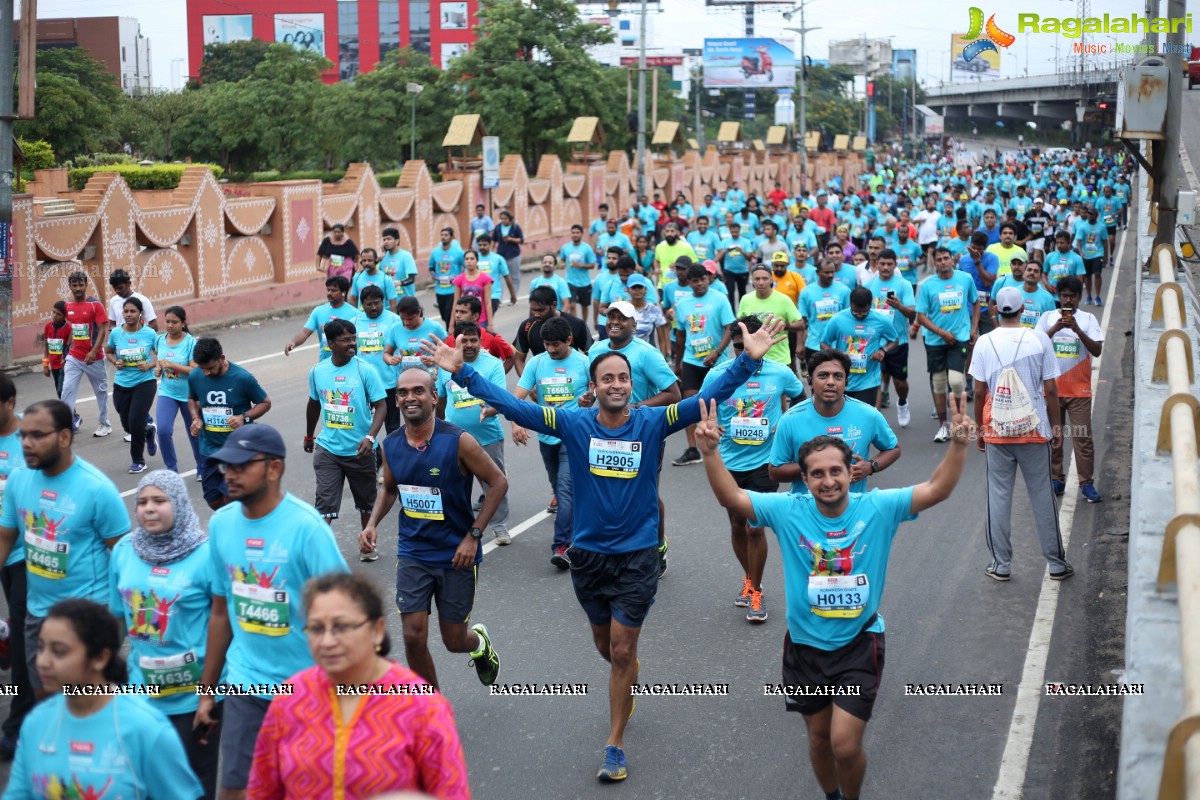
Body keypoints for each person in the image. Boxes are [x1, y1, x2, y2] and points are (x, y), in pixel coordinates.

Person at [418, 317, 784, 782]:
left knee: (621, 646)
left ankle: (614, 743)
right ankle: (625, 672)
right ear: (592, 385)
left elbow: (703, 401)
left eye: (623, 378)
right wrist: (462, 373)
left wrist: (749, 361)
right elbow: (511, 404)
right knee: (605, 647)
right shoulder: (572, 423)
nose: (617, 384)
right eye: (607, 378)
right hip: (588, 558)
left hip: (637, 557)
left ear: (632, 386)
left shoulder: (654, 420)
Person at [698, 395, 974, 800]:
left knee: (845, 744)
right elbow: (733, 499)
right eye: (817, 474)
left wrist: (960, 445)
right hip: (805, 648)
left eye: (836, 471)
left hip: (858, 644)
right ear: (805, 480)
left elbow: (937, 489)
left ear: (852, 472)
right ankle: (832, 796)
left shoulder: (878, 507)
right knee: (818, 740)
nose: (828, 480)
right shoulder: (788, 510)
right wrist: (710, 455)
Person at [194, 424, 350, 800]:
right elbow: (220, 613)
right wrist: (206, 693)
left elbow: (347, 619)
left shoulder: (307, 530)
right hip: (246, 685)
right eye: (224, 466)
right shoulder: (221, 525)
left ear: (274, 468)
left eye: (240, 466)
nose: (228, 474)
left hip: (307, 692)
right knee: (234, 792)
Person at [247, 573, 470, 800]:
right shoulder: (291, 698)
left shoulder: (422, 705)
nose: (327, 641)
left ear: (377, 630)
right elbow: (261, 790)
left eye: (342, 627)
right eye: (316, 629)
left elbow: (452, 793)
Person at [359, 367, 505, 690]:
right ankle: (432, 707)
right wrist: (372, 524)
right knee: (412, 635)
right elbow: (390, 489)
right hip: (414, 550)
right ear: (395, 399)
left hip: (457, 553)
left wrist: (474, 535)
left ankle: (479, 643)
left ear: (434, 396)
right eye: (402, 392)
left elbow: (497, 482)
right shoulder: (393, 444)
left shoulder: (458, 441)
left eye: (418, 391)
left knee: (454, 640)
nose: (409, 397)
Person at [4, 598, 203, 799]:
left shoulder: (147, 729)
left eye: (59, 651)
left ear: (100, 658)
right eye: (41, 647)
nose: (43, 661)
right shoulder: (35, 723)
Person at [0, 399, 131, 701]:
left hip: (87, 620)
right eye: (23, 436)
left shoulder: (97, 489)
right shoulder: (19, 480)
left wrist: (116, 627)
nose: (27, 444)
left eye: (37, 435)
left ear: (64, 436)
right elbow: (5, 538)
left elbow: (127, 560)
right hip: (38, 616)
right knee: (44, 698)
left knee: (87, 704)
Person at [109, 470, 222, 798]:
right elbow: (115, 621)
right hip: (142, 698)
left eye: (160, 500)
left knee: (194, 787)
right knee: (144, 784)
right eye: (142, 501)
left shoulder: (206, 555)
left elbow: (223, 625)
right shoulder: (125, 551)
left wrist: (209, 692)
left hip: (197, 698)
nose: (149, 508)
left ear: (181, 504)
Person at [701, 316, 804, 624]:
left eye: (744, 345)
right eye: (736, 347)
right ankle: (749, 577)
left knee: (754, 526)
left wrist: (784, 426)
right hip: (728, 462)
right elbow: (700, 407)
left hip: (764, 461)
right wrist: (710, 424)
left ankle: (756, 592)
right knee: (736, 524)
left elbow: (801, 401)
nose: (740, 352)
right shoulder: (718, 375)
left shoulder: (779, 373)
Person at [969, 286, 1073, 582]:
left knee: (998, 498)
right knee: (1042, 496)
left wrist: (980, 428)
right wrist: (1055, 427)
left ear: (995, 310)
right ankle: (1056, 564)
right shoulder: (1039, 339)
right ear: (1022, 311)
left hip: (997, 433)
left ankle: (1001, 565)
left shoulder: (984, 343)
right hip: (1034, 431)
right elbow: (1051, 389)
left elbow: (979, 393)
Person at [512, 317, 590, 566]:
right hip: (548, 437)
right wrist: (516, 422)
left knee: (566, 490)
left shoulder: (584, 362)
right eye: (547, 344)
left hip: (575, 435)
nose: (551, 349)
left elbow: (601, 389)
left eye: (556, 344)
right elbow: (518, 397)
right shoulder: (536, 362)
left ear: (569, 340)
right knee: (560, 487)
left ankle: (562, 546)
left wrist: (592, 396)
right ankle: (581, 531)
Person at [770, 349, 900, 497]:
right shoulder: (790, 419)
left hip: (852, 510)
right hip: (806, 512)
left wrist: (870, 467)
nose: (830, 382)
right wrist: (812, 464)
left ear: (846, 382)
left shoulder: (868, 414)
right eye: (823, 375)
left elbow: (893, 448)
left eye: (838, 376)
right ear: (810, 381)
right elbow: (775, 472)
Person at [305, 319, 387, 536]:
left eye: (353, 339)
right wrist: (308, 435)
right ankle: (319, 551)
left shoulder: (365, 370)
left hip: (360, 451)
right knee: (324, 503)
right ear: (330, 343)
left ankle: (368, 541)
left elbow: (381, 406)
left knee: (366, 502)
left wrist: (370, 438)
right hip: (328, 449)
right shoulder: (317, 372)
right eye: (345, 340)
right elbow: (314, 404)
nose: (352, 344)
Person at [435, 321, 511, 546]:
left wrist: (490, 410)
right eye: (463, 340)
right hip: (454, 437)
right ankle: (460, 527)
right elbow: (441, 398)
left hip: (488, 435)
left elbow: (502, 400)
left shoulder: (493, 365)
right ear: (455, 342)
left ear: (480, 341)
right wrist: (439, 427)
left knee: (494, 482)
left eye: (473, 340)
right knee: (455, 484)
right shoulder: (445, 364)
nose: (469, 345)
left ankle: (500, 527)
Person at [1035, 275, 1105, 504]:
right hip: (1051, 390)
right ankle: (1057, 478)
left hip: (1079, 392)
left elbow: (1096, 350)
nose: (1068, 300)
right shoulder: (1047, 318)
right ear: (1059, 296)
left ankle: (1086, 484)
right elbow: (1036, 346)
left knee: (1082, 438)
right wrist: (1056, 328)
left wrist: (1077, 331)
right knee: (1054, 437)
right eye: (1064, 295)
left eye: (1072, 296)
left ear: (1079, 297)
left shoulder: (1088, 319)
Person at [188, 337, 272, 511]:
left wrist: (244, 417)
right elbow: (192, 398)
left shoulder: (242, 377)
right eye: (203, 369)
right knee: (213, 501)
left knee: (230, 498)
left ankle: (241, 530)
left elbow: (265, 402)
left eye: (210, 368)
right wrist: (195, 418)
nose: (206, 373)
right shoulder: (196, 375)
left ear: (222, 357)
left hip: (237, 448)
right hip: (208, 448)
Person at [672, 262, 736, 467]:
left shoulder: (720, 300)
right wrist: (678, 362)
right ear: (688, 282)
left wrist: (717, 352)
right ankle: (692, 449)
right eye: (695, 280)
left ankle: (726, 446)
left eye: (702, 279)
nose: (699, 284)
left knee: (722, 404)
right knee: (688, 404)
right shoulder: (683, 304)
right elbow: (680, 335)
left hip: (718, 361)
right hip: (692, 360)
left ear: (708, 279)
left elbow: (730, 328)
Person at [0, 376, 33, 758]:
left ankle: (17, 723)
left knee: (27, 634)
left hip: (26, 552)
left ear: (9, 403)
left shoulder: (29, 437)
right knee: (15, 624)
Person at [918, 247, 980, 443]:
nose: (943, 262)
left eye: (946, 258)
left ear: (952, 260)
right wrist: (941, 332)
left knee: (955, 381)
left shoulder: (965, 279)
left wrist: (973, 328)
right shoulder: (928, 286)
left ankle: (959, 422)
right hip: (935, 340)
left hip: (959, 337)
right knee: (938, 383)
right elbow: (920, 316)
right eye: (939, 259)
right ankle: (943, 427)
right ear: (934, 263)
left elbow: (976, 302)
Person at [820, 288, 900, 408]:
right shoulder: (838, 319)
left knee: (864, 419)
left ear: (870, 305)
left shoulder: (881, 320)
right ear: (850, 304)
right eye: (856, 311)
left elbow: (894, 339)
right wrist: (834, 358)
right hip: (842, 380)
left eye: (864, 312)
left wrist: (882, 350)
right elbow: (824, 343)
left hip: (867, 381)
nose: (859, 315)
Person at [106, 296, 159, 474]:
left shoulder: (150, 334)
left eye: (132, 311)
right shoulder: (116, 333)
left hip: (145, 382)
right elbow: (109, 352)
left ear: (140, 313)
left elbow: (161, 354)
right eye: (126, 311)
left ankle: (138, 460)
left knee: (135, 422)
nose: (128, 315)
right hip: (122, 383)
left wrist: (150, 364)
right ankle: (149, 430)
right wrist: (115, 362)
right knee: (128, 424)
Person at [864, 250, 917, 423]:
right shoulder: (869, 285)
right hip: (873, 341)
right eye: (882, 264)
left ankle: (902, 402)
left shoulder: (903, 285)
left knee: (900, 382)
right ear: (877, 264)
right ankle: (875, 418)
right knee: (874, 381)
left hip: (897, 341)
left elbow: (912, 314)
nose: (886, 267)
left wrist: (899, 306)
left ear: (895, 265)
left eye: (889, 264)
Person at [60, 271, 113, 437]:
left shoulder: (95, 305)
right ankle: (64, 426)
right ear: (69, 286)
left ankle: (105, 424)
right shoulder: (67, 306)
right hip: (75, 357)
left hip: (94, 359)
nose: (78, 288)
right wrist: (66, 349)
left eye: (80, 285)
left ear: (86, 285)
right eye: (74, 285)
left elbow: (103, 329)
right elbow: (72, 329)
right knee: (67, 390)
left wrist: (94, 351)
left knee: (101, 393)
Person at [155, 306, 203, 475]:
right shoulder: (160, 340)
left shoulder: (191, 342)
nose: (170, 325)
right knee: (163, 430)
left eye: (174, 322)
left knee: (195, 432)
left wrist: (173, 365)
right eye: (167, 321)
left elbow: (195, 370)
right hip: (167, 392)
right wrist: (158, 368)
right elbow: (158, 359)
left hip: (189, 395)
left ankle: (201, 467)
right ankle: (171, 471)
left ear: (183, 323)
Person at [352, 286, 403, 434]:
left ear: (383, 302)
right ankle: (374, 455)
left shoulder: (395, 320)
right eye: (369, 304)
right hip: (363, 383)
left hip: (389, 383)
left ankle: (392, 455)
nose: (373, 307)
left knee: (392, 426)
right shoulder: (354, 322)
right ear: (362, 304)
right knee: (363, 424)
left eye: (377, 303)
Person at [737, 264, 805, 370]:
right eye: (757, 279)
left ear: (771, 280)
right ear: (752, 281)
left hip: (779, 359)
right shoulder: (745, 300)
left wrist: (786, 325)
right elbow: (739, 326)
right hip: (754, 358)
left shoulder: (783, 299)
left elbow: (801, 324)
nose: (761, 282)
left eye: (765, 278)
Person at [512, 286, 592, 374]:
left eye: (541, 310)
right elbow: (519, 360)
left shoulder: (576, 324)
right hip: (543, 383)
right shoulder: (526, 327)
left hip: (572, 381)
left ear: (553, 305)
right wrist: (529, 383)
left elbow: (592, 355)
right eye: (533, 310)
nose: (536, 314)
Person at [284, 276, 354, 361]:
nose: (329, 293)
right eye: (328, 290)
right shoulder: (318, 311)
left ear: (343, 292)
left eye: (333, 290)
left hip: (347, 363)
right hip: (325, 364)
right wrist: (293, 343)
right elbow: (305, 332)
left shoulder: (355, 313)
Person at [798, 259, 852, 367]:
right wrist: (800, 344)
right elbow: (802, 321)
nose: (830, 275)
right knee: (815, 380)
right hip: (814, 345)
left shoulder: (844, 291)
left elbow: (849, 318)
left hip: (839, 346)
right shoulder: (807, 292)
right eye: (827, 272)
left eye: (832, 272)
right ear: (817, 273)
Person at [384, 297, 449, 383]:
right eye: (402, 318)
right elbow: (387, 354)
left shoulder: (434, 327)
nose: (406, 322)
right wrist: (390, 360)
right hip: (406, 382)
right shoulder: (395, 328)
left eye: (410, 318)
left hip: (431, 381)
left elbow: (449, 352)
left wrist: (434, 359)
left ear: (419, 312)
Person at [447, 295, 515, 372]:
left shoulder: (492, 337)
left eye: (463, 312)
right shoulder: (450, 339)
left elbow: (511, 357)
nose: (457, 316)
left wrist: (495, 377)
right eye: (456, 311)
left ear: (475, 316)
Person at [562, 223, 599, 326]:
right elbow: (561, 260)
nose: (575, 235)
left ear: (581, 234)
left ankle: (583, 324)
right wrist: (561, 264)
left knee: (584, 306)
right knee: (572, 305)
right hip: (570, 281)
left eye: (577, 233)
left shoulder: (587, 248)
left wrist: (580, 265)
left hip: (584, 282)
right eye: (573, 233)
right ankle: (574, 325)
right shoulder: (566, 247)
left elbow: (592, 265)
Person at [1072, 206, 1110, 305]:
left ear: (1096, 216)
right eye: (1088, 213)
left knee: (1097, 274)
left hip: (1098, 253)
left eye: (1092, 214)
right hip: (1086, 255)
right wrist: (1080, 252)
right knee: (1087, 276)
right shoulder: (1082, 227)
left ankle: (1097, 296)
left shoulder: (1101, 227)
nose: (1090, 215)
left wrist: (1106, 255)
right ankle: (1089, 296)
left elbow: (1105, 241)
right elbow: (1079, 241)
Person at [430, 228, 466, 327]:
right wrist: (434, 276)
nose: (443, 237)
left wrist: (460, 279)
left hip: (453, 290)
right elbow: (431, 267)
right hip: (440, 290)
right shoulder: (435, 252)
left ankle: (450, 333)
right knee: (443, 315)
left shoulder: (458, 253)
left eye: (446, 235)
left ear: (451, 237)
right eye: (442, 235)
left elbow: (466, 267)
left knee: (449, 313)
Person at [451, 250, 495, 329]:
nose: (469, 261)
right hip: (464, 319)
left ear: (477, 260)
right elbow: (455, 303)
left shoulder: (485, 279)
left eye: (472, 259)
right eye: (467, 259)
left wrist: (490, 324)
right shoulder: (459, 279)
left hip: (481, 319)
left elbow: (488, 302)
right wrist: (451, 325)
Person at [106, 268, 160, 333]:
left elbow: (154, 326)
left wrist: (134, 333)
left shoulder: (143, 300)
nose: (117, 291)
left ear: (129, 284)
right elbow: (112, 324)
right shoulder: (113, 301)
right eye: (115, 288)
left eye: (120, 288)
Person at [626, 275, 670, 353]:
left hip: (648, 355)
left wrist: (662, 361)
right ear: (628, 290)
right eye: (634, 288)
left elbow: (662, 340)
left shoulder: (654, 310)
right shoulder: (623, 309)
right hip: (627, 355)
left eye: (640, 287)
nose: (637, 290)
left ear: (645, 289)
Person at [476, 234, 518, 314]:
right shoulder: (474, 258)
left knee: (487, 317)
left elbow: (507, 277)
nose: (482, 247)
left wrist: (513, 295)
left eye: (485, 245)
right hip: (477, 295)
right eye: (480, 245)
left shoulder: (498, 259)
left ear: (490, 244)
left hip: (494, 295)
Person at [349, 248, 399, 313]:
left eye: (369, 260)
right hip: (362, 318)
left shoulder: (386, 279)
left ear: (376, 260)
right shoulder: (357, 277)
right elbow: (354, 299)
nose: (366, 263)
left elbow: (393, 303)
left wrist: (393, 321)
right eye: (364, 261)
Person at [492, 209, 525, 298]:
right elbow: (493, 240)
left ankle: (514, 295)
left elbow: (521, 240)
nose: (503, 220)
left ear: (509, 219)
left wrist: (511, 239)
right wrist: (491, 252)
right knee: (500, 277)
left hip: (514, 255)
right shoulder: (498, 227)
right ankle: (498, 297)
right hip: (501, 255)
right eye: (501, 218)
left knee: (514, 276)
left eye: (505, 218)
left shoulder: (515, 227)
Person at [379, 226, 419, 299]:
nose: (386, 242)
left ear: (397, 241)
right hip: (388, 302)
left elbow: (411, 279)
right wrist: (379, 258)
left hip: (405, 300)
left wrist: (398, 283)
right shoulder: (382, 257)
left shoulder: (406, 256)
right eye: (384, 239)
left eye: (389, 239)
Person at [42, 301, 70, 398]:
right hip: (53, 365)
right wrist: (46, 365)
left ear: (64, 316)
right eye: (53, 312)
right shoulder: (48, 327)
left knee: (61, 390)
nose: (54, 316)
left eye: (58, 314)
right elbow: (46, 346)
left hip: (64, 365)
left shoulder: (68, 328)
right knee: (60, 392)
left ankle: (69, 411)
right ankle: (70, 410)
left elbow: (70, 346)